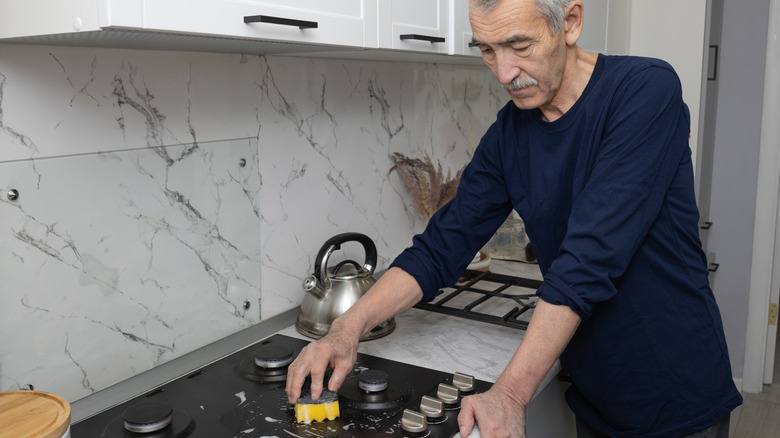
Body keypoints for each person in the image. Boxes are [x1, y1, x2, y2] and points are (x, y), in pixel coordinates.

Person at [285, 0, 743, 436]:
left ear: (570, 23)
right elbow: (441, 247)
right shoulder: (510, 133)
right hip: (596, 391)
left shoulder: (645, 91)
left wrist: (508, 394)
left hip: (676, 391)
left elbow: (588, 260)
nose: (504, 73)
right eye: (487, 50)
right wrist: (345, 330)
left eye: (519, 46)